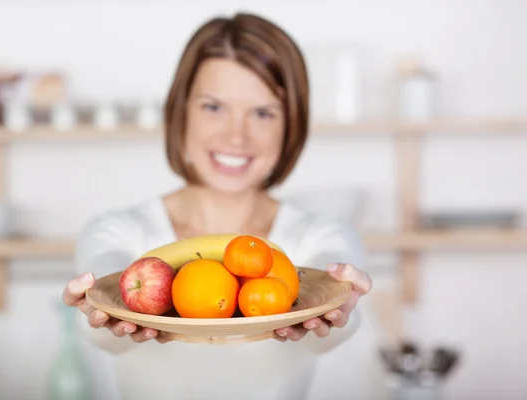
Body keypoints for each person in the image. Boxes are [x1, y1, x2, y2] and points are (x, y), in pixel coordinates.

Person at [62, 12, 372, 400]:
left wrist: (338, 311)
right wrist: (103, 312)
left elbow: (334, 318)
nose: (236, 135)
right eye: (213, 107)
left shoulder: (320, 235)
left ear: (291, 125)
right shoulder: (116, 231)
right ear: (181, 112)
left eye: (263, 113)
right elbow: (110, 328)